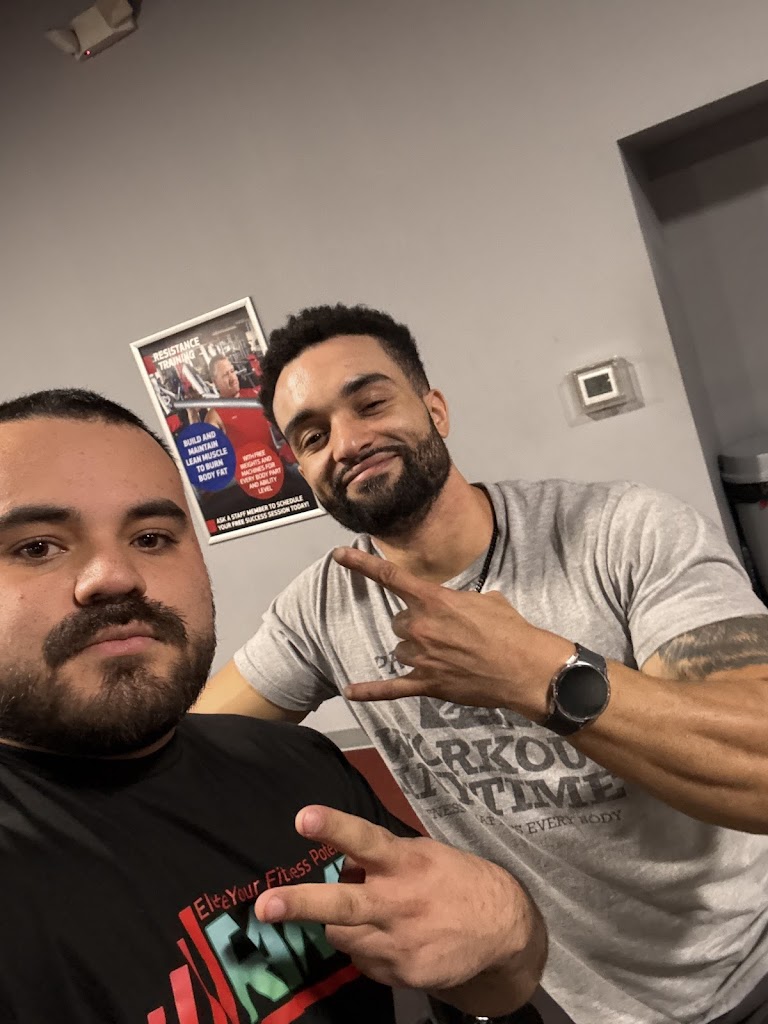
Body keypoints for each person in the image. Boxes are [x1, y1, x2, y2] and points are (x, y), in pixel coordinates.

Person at [196, 303, 768, 1024]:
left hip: (746, 969)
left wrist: (540, 674)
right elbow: (191, 745)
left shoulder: (624, 531)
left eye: (371, 403)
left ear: (435, 409)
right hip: (569, 1003)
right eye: (312, 436)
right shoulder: (322, 607)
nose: (348, 442)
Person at [0, 387, 547, 1024]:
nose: (116, 576)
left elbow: (485, 984)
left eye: (151, 537)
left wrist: (509, 926)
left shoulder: (300, 764)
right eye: (36, 547)